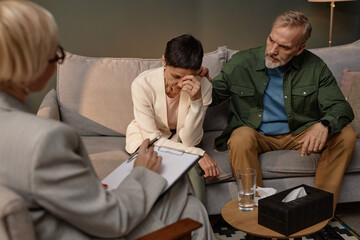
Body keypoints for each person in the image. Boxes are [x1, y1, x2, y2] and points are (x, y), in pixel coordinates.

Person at [0, 1, 215, 239]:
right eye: (56, 52)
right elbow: (112, 219)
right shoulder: (47, 140)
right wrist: (143, 173)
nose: (58, 59)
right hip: (97, 230)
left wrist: (196, 101)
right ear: (34, 63)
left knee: (193, 209)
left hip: (73, 221)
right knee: (187, 201)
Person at [211, 10, 356, 210]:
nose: (272, 50)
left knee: (346, 134)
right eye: (271, 40)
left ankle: (318, 210)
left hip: (299, 133)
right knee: (240, 137)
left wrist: (324, 124)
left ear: (299, 49)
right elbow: (212, 95)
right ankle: (258, 211)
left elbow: (341, 106)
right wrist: (199, 81)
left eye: (283, 47)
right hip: (256, 133)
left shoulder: (315, 67)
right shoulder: (242, 62)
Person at [126, 34, 220, 204]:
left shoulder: (203, 87)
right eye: (176, 76)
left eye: (187, 78)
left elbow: (190, 140)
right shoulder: (142, 85)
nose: (180, 84)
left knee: (192, 167)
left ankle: (199, 221)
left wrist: (196, 101)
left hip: (183, 137)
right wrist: (199, 153)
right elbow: (152, 138)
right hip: (147, 136)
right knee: (160, 167)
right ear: (164, 61)